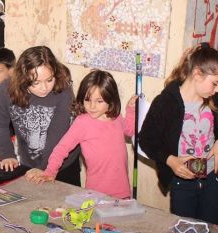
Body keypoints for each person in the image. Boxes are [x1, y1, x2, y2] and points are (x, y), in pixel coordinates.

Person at [138, 43, 218, 224]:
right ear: (197, 74)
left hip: (214, 179)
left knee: (208, 230)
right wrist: (170, 160)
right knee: (185, 232)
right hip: (183, 182)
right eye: (215, 83)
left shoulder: (215, 99)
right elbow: (146, 140)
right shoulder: (166, 102)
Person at [27, 70, 137, 199]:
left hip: (122, 193)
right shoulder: (82, 122)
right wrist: (50, 171)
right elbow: (62, 148)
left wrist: (131, 110)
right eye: (87, 100)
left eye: (99, 101)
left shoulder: (115, 116)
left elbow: (129, 131)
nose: (92, 106)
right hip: (95, 193)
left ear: (111, 100)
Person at [0, 46, 81, 186]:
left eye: (49, 80)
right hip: (29, 162)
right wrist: (7, 154)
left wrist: (44, 169)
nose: (44, 87)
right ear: (22, 78)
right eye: (36, 82)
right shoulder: (5, 90)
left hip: (64, 165)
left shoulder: (63, 91)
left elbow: (56, 135)